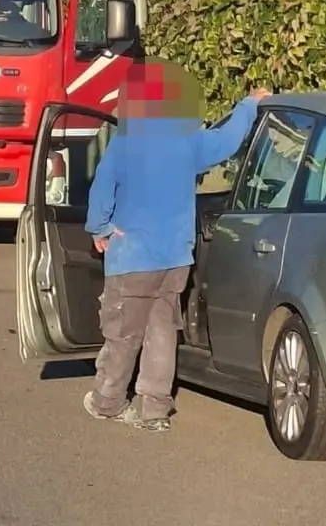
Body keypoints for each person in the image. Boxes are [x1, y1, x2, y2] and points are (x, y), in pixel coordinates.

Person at [83, 62, 269, 431]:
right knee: (162, 332)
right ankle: (153, 408)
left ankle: (107, 401)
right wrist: (249, 104)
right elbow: (229, 140)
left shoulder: (125, 142)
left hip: (132, 253)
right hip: (175, 256)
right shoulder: (188, 139)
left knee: (123, 332)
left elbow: (102, 190)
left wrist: (99, 229)